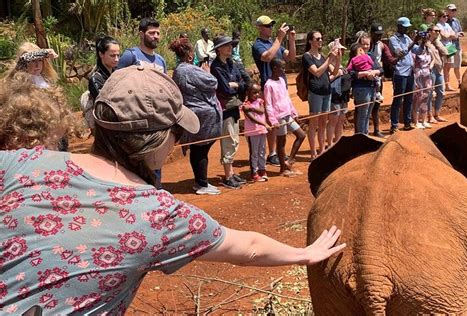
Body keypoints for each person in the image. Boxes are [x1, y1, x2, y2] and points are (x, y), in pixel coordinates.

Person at [0, 66, 346, 314]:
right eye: (176, 134)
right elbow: (249, 248)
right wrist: (304, 253)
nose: (177, 144)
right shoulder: (157, 213)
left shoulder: (19, 162)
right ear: (157, 139)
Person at [117, 17, 167, 189]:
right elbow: (117, 83)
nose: (156, 36)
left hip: (158, 119)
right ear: (141, 34)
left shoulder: (161, 60)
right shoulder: (130, 56)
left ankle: (157, 191)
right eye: (151, 33)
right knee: (138, 160)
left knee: (157, 158)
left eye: (158, 33)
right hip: (136, 119)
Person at [170, 37, 222, 195]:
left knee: (198, 148)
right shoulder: (189, 70)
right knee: (201, 148)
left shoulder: (179, 70)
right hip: (203, 114)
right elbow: (212, 82)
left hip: (193, 113)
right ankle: (201, 183)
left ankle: (200, 181)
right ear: (190, 56)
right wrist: (207, 72)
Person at [7, 42, 69, 151]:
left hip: (54, 132)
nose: (37, 65)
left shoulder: (46, 80)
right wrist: (43, 52)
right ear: (23, 63)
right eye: (32, 61)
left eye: (40, 60)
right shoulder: (18, 82)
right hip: (32, 133)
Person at [252, 15, 296, 167]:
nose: (270, 28)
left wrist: (290, 39)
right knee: (272, 120)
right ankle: (272, 153)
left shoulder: (273, 42)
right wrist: (279, 38)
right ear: (259, 28)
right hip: (269, 86)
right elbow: (267, 57)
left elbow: (291, 57)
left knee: (281, 118)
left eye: (271, 25)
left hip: (281, 85)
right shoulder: (258, 45)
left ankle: (278, 151)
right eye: (267, 25)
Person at [211, 36, 248, 189]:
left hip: (234, 105)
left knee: (235, 139)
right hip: (225, 107)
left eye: (230, 45)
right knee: (229, 140)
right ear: (218, 49)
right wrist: (236, 85)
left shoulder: (231, 63)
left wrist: (235, 85)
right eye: (226, 45)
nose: (229, 47)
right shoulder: (216, 66)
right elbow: (225, 88)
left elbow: (245, 82)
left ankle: (231, 173)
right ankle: (227, 176)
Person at [265, 58, 306, 177]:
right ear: (274, 68)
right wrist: (273, 120)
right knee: (281, 142)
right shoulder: (269, 85)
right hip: (278, 117)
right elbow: (268, 104)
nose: (284, 70)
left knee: (301, 135)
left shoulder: (282, 80)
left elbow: (287, 98)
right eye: (282, 68)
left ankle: (290, 160)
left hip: (287, 114)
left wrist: (294, 112)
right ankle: (283, 168)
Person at [303, 30, 340, 160]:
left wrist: (338, 57)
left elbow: (335, 72)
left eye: (321, 39)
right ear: (310, 41)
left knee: (323, 123)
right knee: (314, 123)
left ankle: (322, 151)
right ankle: (313, 153)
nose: (320, 41)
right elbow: (317, 72)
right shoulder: (307, 56)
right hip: (315, 93)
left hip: (326, 92)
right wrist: (329, 59)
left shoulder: (322, 56)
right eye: (317, 39)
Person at [388, 17, 423, 133]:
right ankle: (394, 125)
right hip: (400, 73)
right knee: (398, 99)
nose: (407, 29)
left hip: (410, 72)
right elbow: (400, 53)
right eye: (405, 27)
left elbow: (417, 51)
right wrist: (413, 42)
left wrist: (421, 42)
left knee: (409, 99)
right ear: (399, 26)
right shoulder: (393, 39)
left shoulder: (407, 38)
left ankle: (407, 123)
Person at [348, 34, 383, 136]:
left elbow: (381, 70)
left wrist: (373, 72)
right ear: (359, 44)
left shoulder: (371, 56)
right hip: (361, 88)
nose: (366, 46)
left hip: (372, 88)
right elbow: (350, 73)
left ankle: (365, 134)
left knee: (368, 114)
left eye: (368, 44)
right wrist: (364, 74)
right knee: (362, 114)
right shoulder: (354, 57)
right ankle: (361, 136)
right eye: (363, 44)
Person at [85, 36, 120, 132]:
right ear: (101, 54)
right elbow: (104, 102)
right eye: (112, 55)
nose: (116, 59)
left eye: (118, 55)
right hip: (104, 125)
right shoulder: (96, 78)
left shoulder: (118, 73)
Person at [369, 23, 398, 137]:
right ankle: (360, 131)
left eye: (380, 35)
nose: (379, 37)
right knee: (363, 105)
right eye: (377, 35)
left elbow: (389, 58)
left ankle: (376, 130)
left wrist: (397, 58)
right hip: (365, 77)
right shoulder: (366, 44)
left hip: (377, 78)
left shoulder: (382, 45)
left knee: (377, 104)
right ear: (371, 34)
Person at [242, 83, 271, 182]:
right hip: (252, 132)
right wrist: (264, 124)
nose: (257, 95)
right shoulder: (245, 105)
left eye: (258, 92)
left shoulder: (259, 101)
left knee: (262, 151)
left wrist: (253, 108)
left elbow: (262, 111)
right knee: (254, 153)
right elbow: (252, 118)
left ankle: (262, 169)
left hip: (261, 131)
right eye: (254, 93)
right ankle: (254, 172)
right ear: (248, 93)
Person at [326, 40, 350, 146]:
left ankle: (338, 142)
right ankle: (330, 144)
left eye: (342, 50)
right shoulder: (327, 64)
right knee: (333, 120)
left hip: (343, 94)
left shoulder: (341, 64)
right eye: (339, 50)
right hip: (334, 94)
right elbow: (327, 80)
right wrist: (338, 74)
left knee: (341, 120)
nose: (341, 52)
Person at [426, 24, 448, 123]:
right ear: (430, 31)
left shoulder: (438, 42)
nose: (438, 32)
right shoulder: (426, 43)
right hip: (430, 70)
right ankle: (430, 116)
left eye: (439, 31)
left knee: (441, 92)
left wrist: (437, 43)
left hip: (439, 69)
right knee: (430, 93)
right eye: (436, 31)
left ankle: (437, 114)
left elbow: (446, 52)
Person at [412, 34, 433, 129]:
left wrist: (430, 67)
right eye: (425, 39)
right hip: (418, 75)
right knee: (418, 98)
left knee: (425, 98)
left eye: (427, 39)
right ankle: (416, 122)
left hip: (427, 75)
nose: (426, 41)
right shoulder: (416, 49)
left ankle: (424, 121)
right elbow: (412, 63)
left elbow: (433, 59)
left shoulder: (428, 49)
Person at [436, 10, 457, 91]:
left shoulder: (447, 24)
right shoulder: (438, 25)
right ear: (439, 17)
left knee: (449, 67)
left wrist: (450, 35)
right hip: (443, 47)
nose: (446, 17)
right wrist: (450, 35)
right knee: (444, 67)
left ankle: (447, 85)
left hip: (450, 46)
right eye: (444, 16)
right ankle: (444, 86)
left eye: (446, 16)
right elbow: (444, 36)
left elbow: (454, 35)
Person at [446, 3, 464, 89]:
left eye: (454, 10)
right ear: (447, 11)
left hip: (457, 45)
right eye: (452, 10)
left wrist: (457, 34)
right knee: (448, 66)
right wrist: (455, 35)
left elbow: (461, 32)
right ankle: (447, 85)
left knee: (457, 66)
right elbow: (447, 35)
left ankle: (460, 82)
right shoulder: (444, 21)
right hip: (449, 46)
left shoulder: (456, 21)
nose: (453, 12)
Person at [232, 30, 251, 101]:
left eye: (239, 36)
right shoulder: (232, 44)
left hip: (239, 62)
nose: (239, 37)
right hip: (235, 63)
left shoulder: (238, 43)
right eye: (237, 36)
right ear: (233, 36)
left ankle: (244, 95)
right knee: (246, 78)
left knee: (244, 79)